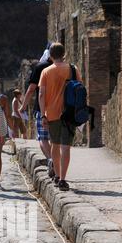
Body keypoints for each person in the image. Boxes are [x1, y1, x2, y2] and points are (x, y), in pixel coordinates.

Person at [39, 42, 82, 192]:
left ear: (50, 56)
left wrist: (43, 115)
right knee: (66, 147)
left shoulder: (46, 72)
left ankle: (56, 176)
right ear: (64, 54)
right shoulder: (73, 69)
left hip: (52, 114)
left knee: (55, 145)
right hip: (69, 114)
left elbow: (41, 95)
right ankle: (63, 179)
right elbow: (80, 89)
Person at [20, 48, 54, 178]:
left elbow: (31, 89)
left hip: (42, 109)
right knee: (55, 139)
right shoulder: (66, 67)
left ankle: (51, 160)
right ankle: (56, 163)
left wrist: (23, 106)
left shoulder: (40, 67)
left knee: (43, 138)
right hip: (59, 109)